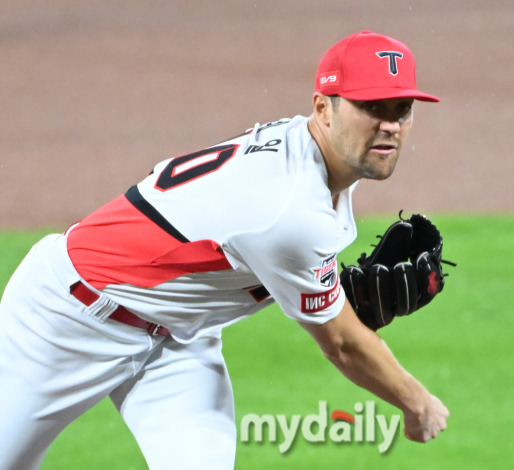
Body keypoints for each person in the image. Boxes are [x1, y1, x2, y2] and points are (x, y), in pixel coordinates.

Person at [0, 30, 449, 469]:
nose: (390, 124)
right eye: (371, 107)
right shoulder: (289, 209)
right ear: (323, 109)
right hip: (63, 320)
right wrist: (417, 404)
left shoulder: (311, 157)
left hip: (178, 339)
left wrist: (334, 299)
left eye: (402, 109)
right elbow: (341, 345)